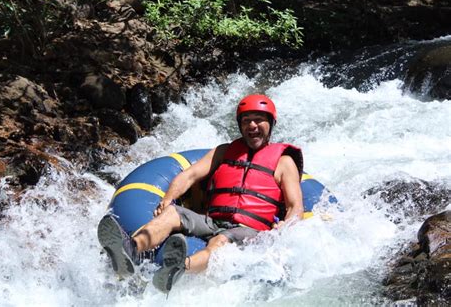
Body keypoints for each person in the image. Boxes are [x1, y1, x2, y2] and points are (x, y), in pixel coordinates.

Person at [98, 94, 304, 293]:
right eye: (247, 121)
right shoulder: (224, 152)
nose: (252, 126)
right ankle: (131, 249)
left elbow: (295, 207)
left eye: (259, 120)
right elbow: (189, 175)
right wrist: (168, 198)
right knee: (171, 214)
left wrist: (285, 227)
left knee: (220, 241)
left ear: (271, 123)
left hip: (249, 229)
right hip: (212, 220)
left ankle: (179, 268)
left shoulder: (284, 162)